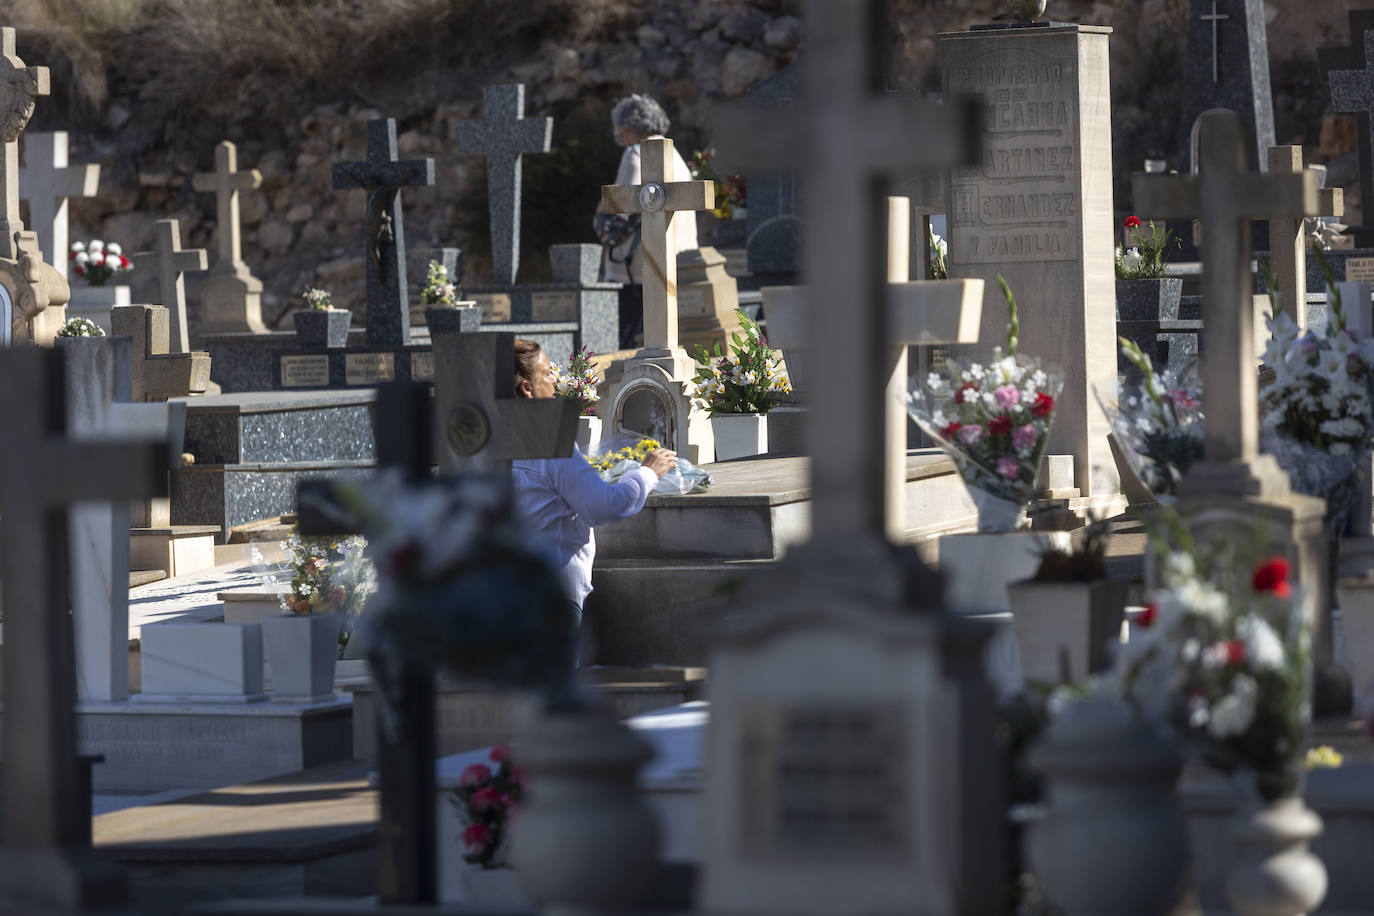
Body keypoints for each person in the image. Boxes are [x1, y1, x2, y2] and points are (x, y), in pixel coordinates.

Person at [509, 339, 678, 636]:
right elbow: (604, 505)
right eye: (548, 373)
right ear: (527, 388)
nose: (555, 380)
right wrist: (647, 473)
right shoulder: (550, 442)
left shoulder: (489, 442)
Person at [602, 93, 699, 349]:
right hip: (679, 260)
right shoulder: (675, 156)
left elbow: (626, 206)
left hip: (638, 268)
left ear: (633, 128)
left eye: (621, 133)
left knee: (628, 340)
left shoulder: (637, 154)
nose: (621, 141)